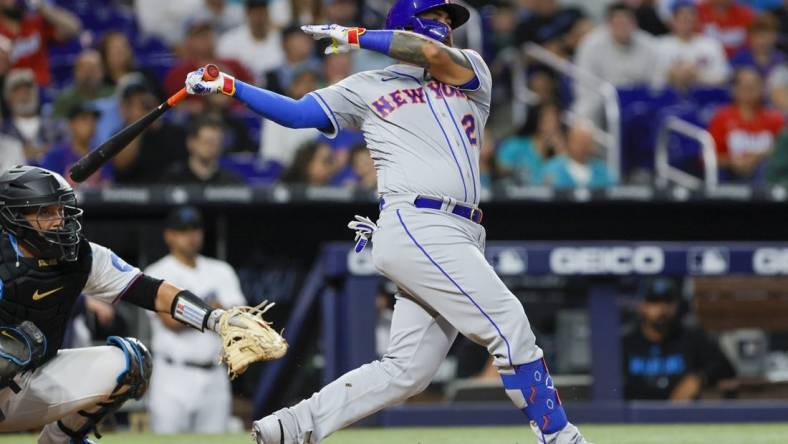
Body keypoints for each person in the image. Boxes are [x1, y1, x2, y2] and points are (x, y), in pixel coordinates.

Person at [184, 0, 591, 443]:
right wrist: (229, 85)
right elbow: (299, 113)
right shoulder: (368, 85)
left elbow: (432, 55)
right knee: (509, 325)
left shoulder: (471, 70)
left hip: (464, 231)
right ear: (407, 27)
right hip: (417, 221)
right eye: (435, 18)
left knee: (407, 371)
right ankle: (560, 436)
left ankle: (291, 426)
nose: (446, 27)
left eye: (448, 21)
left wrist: (355, 36)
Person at [0, 166, 258, 443]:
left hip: (34, 383)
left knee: (132, 361)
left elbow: (153, 291)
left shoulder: (80, 257)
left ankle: (60, 441)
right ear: (14, 217)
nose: (58, 221)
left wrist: (217, 320)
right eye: (45, 212)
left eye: (61, 210)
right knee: (12, 348)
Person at [145, 206, 247, 433]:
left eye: (195, 229)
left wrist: (190, 310)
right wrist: (213, 310)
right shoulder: (157, 272)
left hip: (214, 375)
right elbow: (170, 322)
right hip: (172, 375)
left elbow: (237, 319)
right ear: (169, 235)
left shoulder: (221, 270)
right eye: (182, 230)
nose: (190, 236)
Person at [621, 278, 735, 400]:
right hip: (636, 416)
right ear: (643, 306)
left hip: (682, 416)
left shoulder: (691, 337)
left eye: (668, 301)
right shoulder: (626, 342)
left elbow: (725, 367)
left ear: (677, 305)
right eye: (655, 301)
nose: (662, 308)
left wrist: (699, 378)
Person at [573, 2, 660, 121]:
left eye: (626, 22)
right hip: (601, 102)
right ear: (608, 24)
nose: (623, 27)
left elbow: (657, 83)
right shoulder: (591, 45)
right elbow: (584, 86)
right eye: (618, 23)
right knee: (584, 114)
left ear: (635, 23)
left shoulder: (650, 45)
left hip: (640, 103)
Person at [708, 68, 785, 182]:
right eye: (746, 88)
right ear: (735, 89)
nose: (750, 92)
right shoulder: (722, 117)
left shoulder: (775, 118)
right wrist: (731, 161)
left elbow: (782, 150)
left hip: (764, 174)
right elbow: (709, 156)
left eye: (754, 87)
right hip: (731, 173)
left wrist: (757, 157)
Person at [0, 0, 81, 86]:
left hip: (42, 87)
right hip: (11, 90)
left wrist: (42, 8)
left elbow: (73, 28)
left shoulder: (34, 22)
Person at [653, 0, 730, 90]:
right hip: (670, 97)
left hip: (703, 97)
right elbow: (652, 81)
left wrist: (698, 74)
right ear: (673, 20)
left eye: (690, 15)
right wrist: (670, 75)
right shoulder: (660, 45)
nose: (686, 19)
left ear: (696, 19)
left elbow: (724, 76)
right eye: (681, 16)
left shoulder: (711, 44)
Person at [39, 102, 110, 187]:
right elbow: (46, 186)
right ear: (71, 124)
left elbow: (109, 185)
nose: (91, 124)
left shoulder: (102, 154)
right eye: (84, 119)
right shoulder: (56, 154)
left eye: (93, 120)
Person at [162, 116, 244, 185]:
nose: (210, 146)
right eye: (206, 141)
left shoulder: (231, 181)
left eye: (215, 142)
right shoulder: (173, 178)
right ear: (191, 142)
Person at [216, 0, 285, 80]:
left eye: (262, 12)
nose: (259, 18)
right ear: (247, 13)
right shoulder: (229, 41)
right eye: (255, 13)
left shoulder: (280, 38)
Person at [542, 122, 614, 189]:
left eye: (586, 142)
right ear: (569, 141)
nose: (582, 147)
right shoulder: (553, 169)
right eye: (579, 142)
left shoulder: (602, 171)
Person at [51, 49, 114, 119]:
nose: (89, 74)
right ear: (75, 72)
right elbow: (57, 125)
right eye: (85, 70)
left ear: (102, 72)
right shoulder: (64, 99)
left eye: (93, 69)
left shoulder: (112, 95)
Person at [730, 13, 785, 79]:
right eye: (758, 36)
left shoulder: (782, 58)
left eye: (767, 37)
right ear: (751, 37)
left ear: (775, 37)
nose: (762, 41)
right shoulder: (740, 58)